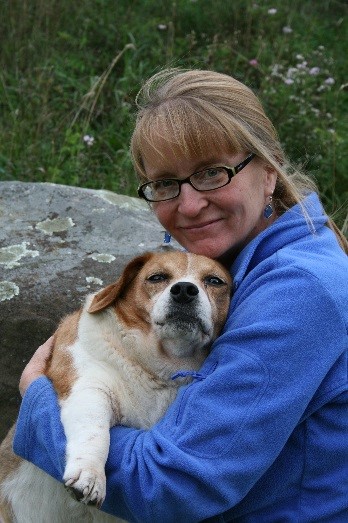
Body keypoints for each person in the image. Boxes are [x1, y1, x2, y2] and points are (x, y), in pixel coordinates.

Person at [14, 68, 348, 522]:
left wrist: (39, 404)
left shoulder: (299, 293)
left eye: (213, 173)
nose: (189, 206)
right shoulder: (231, 256)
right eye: (166, 184)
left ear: (268, 174)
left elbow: (170, 486)